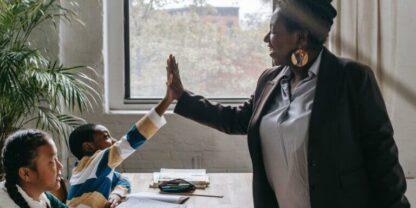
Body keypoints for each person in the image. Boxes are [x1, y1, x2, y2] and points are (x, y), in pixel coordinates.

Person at [165, 0, 410, 207]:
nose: (266, 39)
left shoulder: (352, 79)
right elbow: (238, 119)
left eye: (273, 31)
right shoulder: (270, 80)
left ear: (301, 37)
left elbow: (382, 159)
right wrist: (182, 97)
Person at [66, 86, 173, 208]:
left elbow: (123, 180)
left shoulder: (90, 168)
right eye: (106, 137)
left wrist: (116, 194)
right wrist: (167, 100)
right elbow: (133, 138)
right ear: (88, 147)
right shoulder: (96, 161)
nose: (114, 141)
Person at [0, 129, 68, 208]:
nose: (60, 166)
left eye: (57, 158)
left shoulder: (44, 198)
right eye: (51, 162)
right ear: (26, 173)